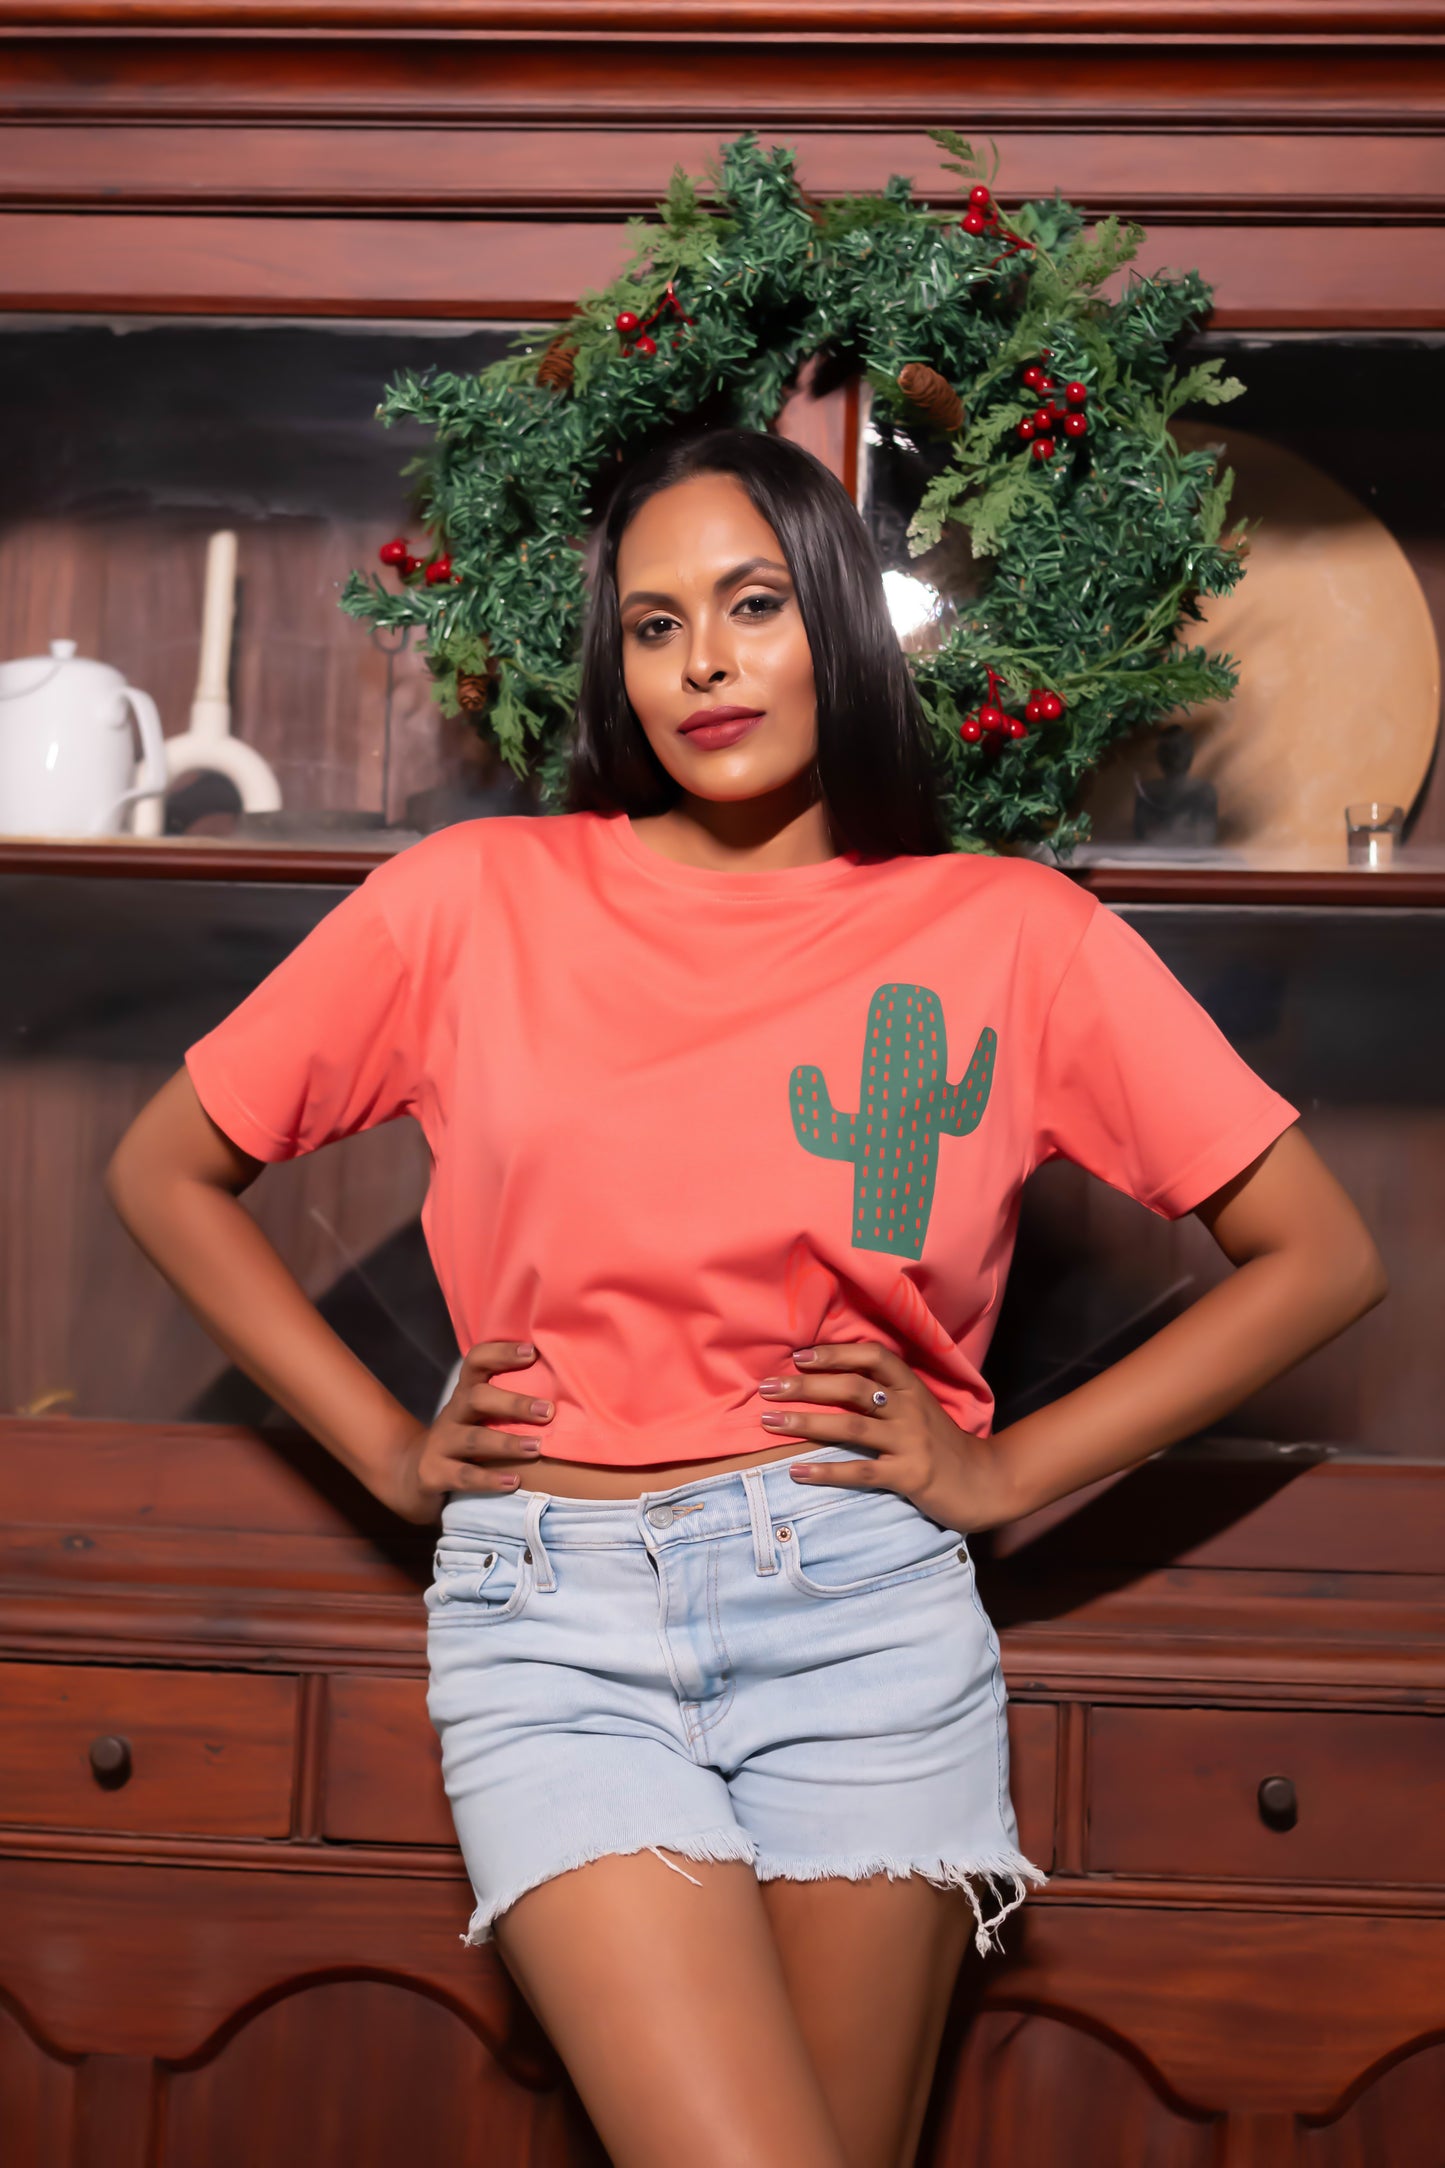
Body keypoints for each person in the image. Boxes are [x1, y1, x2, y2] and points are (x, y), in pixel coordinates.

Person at [105, 427, 1386, 2168]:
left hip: (863, 1620)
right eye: (650, 625)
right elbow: (163, 1168)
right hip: (553, 1624)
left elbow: (1321, 1254)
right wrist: (390, 1453)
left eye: (750, 604)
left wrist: (1007, 1473)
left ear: (833, 626)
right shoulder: (471, 903)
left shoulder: (1006, 932)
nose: (700, 660)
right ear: (615, 670)